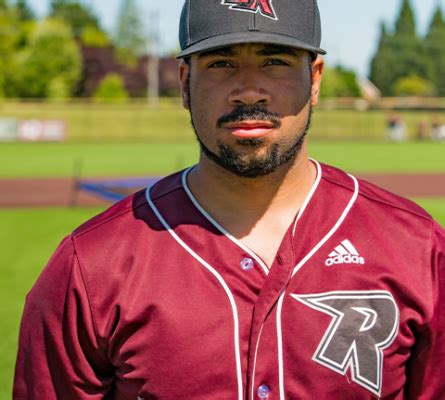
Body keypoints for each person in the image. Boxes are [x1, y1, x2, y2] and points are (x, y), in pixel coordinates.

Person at [14, 0, 444, 399]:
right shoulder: (90, 265)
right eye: (221, 63)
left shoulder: (417, 247)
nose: (249, 91)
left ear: (314, 80)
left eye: (274, 61)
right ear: (185, 84)